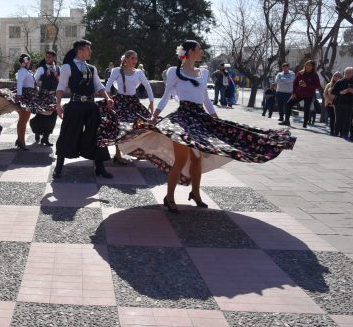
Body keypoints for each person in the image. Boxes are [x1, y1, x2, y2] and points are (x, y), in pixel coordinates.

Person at [118, 41, 295, 213]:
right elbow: (165, 97)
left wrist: (216, 119)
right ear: (189, 52)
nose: (201, 51)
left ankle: (195, 193)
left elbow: (205, 99)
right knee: (180, 160)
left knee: (197, 159)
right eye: (198, 49)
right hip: (182, 119)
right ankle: (169, 197)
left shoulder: (203, 73)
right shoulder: (174, 72)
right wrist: (154, 116)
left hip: (199, 118)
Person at [53, 40, 114, 179]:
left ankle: (100, 167)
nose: (90, 52)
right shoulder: (67, 67)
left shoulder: (92, 68)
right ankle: (58, 167)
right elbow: (61, 87)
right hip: (74, 105)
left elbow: (99, 86)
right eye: (88, 49)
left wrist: (107, 98)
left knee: (97, 134)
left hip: (91, 106)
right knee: (67, 134)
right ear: (80, 51)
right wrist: (58, 105)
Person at [104, 50, 154, 165]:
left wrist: (151, 101)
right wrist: (107, 98)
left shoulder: (139, 73)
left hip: (133, 103)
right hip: (120, 102)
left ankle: (138, 150)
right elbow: (107, 85)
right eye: (132, 58)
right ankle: (117, 154)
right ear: (125, 60)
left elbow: (147, 86)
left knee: (143, 125)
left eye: (136, 58)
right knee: (119, 127)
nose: (134, 61)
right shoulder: (116, 70)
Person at [279, 60, 322, 128]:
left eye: (310, 65)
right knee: (288, 104)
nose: (308, 67)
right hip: (298, 94)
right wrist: (293, 93)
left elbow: (317, 85)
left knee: (306, 109)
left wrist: (306, 85)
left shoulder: (314, 75)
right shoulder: (300, 73)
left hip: (309, 95)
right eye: (307, 65)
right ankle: (286, 121)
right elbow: (295, 83)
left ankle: (304, 124)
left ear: (313, 67)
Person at [30, 50, 60, 146]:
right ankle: (37, 132)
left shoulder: (58, 69)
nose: (48, 59)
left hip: (53, 96)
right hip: (43, 96)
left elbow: (62, 82)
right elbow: (33, 79)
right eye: (46, 57)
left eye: (50, 57)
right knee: (41, 116)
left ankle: (45, 138)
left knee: (52, 117)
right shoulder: (42, 69)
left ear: (54, 58)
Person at [331, 67, 353, 140]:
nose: (346, 74)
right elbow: (333, 91)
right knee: (338, 119)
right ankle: (336, 132)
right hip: (339, 103)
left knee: (347, 120)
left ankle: (345, 134)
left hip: (350, 104)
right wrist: (341, 92)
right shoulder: (340, 81)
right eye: (345, 72)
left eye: (349, 73)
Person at [323, 71, 342, 135]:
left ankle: (338, 131)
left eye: (338, 76)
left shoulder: (341, 85)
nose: (336, 77)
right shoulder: (329, 85)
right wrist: (329, 100)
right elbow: (325, 93)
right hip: (329, 103)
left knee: (338, 118)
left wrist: (334, 102)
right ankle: (332, 131)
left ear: (340, 77)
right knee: (332, 117)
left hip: (337, 104)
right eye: (335, 75)